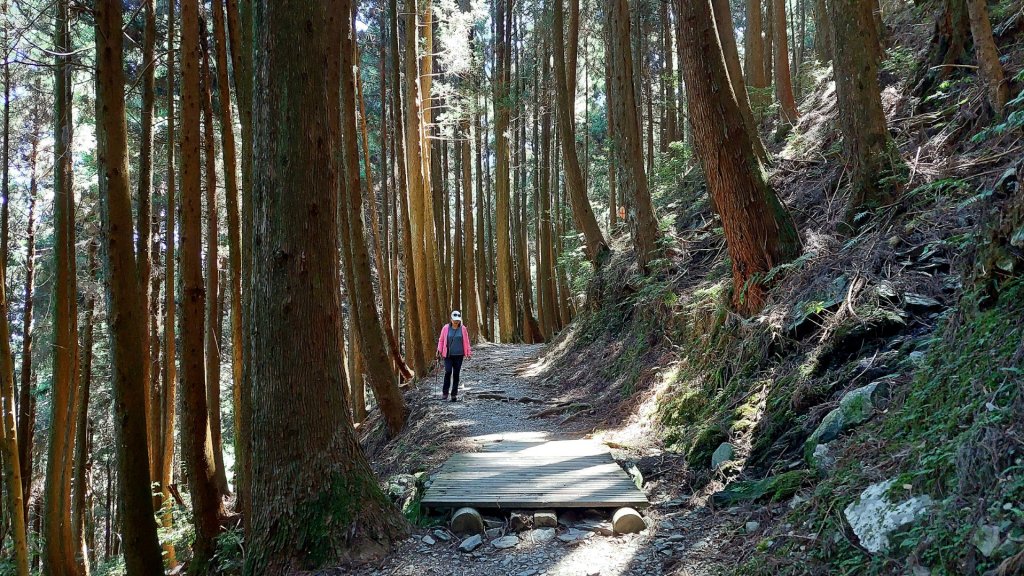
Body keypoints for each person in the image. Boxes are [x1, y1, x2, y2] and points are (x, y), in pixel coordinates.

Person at [437, 310, 472, 401]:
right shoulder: (445, 328)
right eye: (454, 320)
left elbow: (466, 341)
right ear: (451, 319)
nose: (456, 322)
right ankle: (445, 392)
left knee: (456, 374)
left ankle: (454, 394)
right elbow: (441, 340)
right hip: (448, 355)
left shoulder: (463, 329)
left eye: (457, 320)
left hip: (459, 355)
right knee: (448, 372)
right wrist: (439, 350)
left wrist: (468, 352)